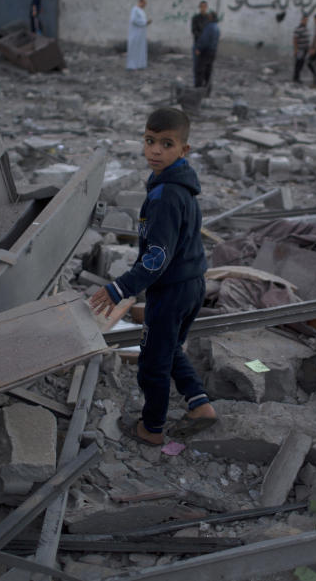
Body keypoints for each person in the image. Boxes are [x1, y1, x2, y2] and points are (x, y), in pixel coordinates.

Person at [89, 108, 217, 446]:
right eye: (149, 141)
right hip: (192, 285)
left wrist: (120, 288)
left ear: (184, 150)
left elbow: (156, 258)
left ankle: (152, 428)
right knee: (171, 347)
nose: (155, 150)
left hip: (171, 291)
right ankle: (198, 402)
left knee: (153, 361)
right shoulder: (181, 185)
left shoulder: (165, 196)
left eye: (166, 144)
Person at [194, 11, 219, 93]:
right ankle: (207, 90)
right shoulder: (216, 27)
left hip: (205, 51)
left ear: (211, 18)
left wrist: (199, 49)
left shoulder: (209, 27)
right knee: (208, 71)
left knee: (200, 70)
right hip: (212, 52)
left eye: (209, 16)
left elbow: (204, 40)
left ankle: (198, 90)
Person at [127, 0, 150, 70]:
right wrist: (144, 22)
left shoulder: (141, 11)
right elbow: (133, 20)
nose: (145, 5)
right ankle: (132, 65)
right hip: (135, 34)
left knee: (140, 49)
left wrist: (146, 22)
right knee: (134, 49)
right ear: (141, 2)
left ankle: (140, 65)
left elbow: (142, 20)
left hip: (141, 34)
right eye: (144, 3)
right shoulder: (135, 9)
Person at [190, 0, 209, 84]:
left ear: (206, 7)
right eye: (201, 6)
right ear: (199, 7)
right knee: (197, 64)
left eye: (204, 7)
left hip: (206, 46)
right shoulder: (195, 18)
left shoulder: (209, 18)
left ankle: (205, 82)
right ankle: (197, 83)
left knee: (206, 65)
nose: (203, 8)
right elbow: (194, 31)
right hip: (198, 44)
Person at [291, 14, 309, 83]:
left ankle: (297, 77)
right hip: (300, 49)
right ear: (302, 20)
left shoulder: (305, 29)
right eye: (304, 20)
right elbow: (295, 40)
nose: (306, 21)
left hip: (305, 49)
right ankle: (296, 78)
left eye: (307, 20)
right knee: (298, 64)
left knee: (301, 63)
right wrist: (296, 50)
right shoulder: (298, 29)